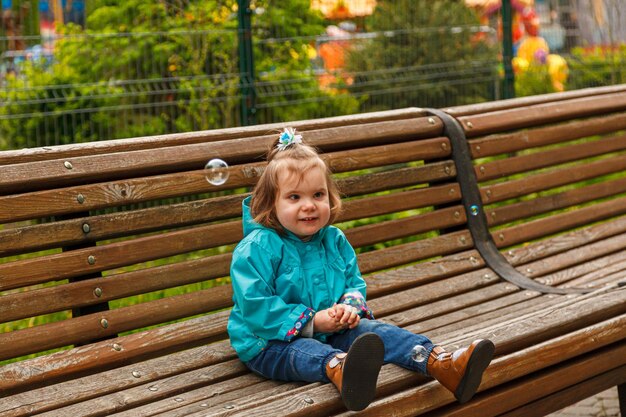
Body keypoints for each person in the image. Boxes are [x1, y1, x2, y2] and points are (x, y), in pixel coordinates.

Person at [227, 127, 495, 411]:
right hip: (268, 343)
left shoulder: (334, 240)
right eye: (294, 197)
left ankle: (441, 363)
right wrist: (313, 322)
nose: (309, 206)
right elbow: (255, 307)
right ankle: (342, 369)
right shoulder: (258, 247)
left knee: (376, 332)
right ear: (270, 203)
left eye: (318, 194)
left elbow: (352, 283)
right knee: (304, 352)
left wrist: (349, 307)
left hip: (331, 329)